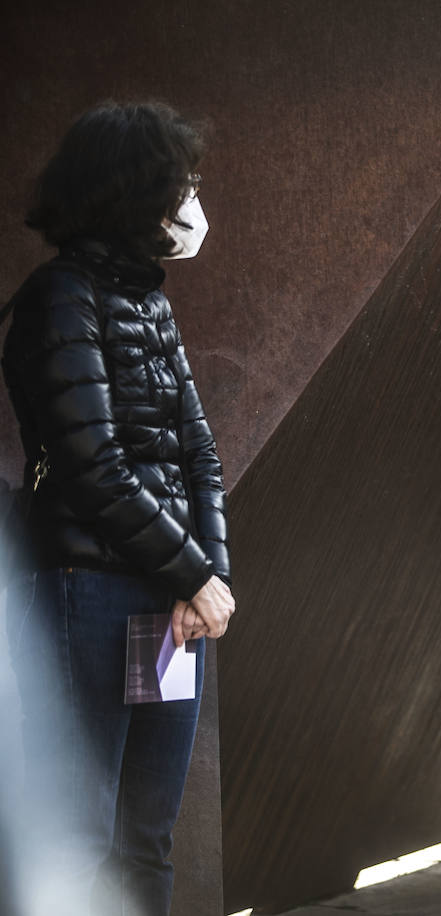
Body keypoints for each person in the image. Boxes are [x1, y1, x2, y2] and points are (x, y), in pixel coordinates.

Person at [1, 101, 235, 916]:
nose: (193, 204)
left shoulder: (150, 301)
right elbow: (91, 466)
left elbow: (200, 454)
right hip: (86, 592)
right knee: (83, 838)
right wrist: (191, 571)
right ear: (134, 189)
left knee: (145, 837)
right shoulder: (59, 299)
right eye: (181, 184)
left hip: (165, 604)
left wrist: (203, 581)